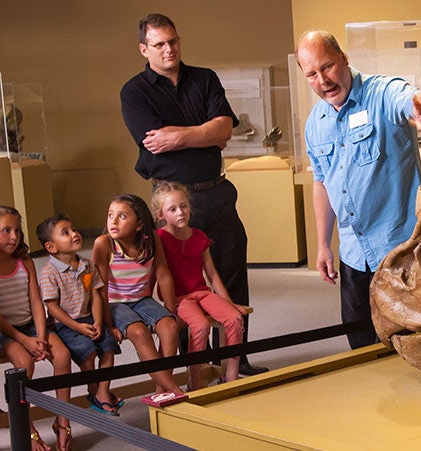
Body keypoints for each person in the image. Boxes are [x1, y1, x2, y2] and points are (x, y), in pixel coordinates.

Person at [119, 13, 267, 375]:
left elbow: (224, 128)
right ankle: (194, 363)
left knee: (231, 272)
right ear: (144, 49)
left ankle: (236, 358)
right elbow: (154, 143)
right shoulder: (134, 91)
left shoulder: (205, 78)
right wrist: (203, 132)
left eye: (173, 41)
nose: (169, 49)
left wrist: (179, 136)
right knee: (185, 284)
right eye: (159, 44)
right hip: (173, 200)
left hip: (217, 192)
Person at [296, 30, 421, 349]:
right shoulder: (315, 123)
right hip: (354, 255)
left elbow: (410, 101)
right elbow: (322, 183)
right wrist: (323, 243)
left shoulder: (382, 93)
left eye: (328, 67)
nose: (323, 80)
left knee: (415, 342)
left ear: (344, 59)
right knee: (360, 343)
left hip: (401, 250)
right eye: (312, 74)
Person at [0, 205, 72, 451]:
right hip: (0, 331)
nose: (14, 236)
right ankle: (26, 428)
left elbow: (37, 303)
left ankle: (63, 421)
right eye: (5, 230)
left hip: (30, 325)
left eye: (17, 230)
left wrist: (39, 336)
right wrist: (25, 341)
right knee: (23, 364)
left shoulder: (25, 261)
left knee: (62, 355)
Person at [92, 194, 189, 405]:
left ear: (139, 225)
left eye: (122, 216)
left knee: (170, 327)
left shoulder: (151, 240)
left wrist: (171, 310)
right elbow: (100, 288)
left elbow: (163, 274)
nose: (113, 221)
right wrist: (108, 324)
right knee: (139, 332)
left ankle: (160, 389)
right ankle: (174, 389)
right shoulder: (104, 244)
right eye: (110, 215)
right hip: (114, 303)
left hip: (142, 300)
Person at [153, 182, 248, 387]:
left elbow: (212, 275)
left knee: (234, 319)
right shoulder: (159, 239)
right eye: (173, 209)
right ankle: (195, 380)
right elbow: (157, 275)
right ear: (161, 214)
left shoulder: (199, 236)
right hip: (179, 299)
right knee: (201, 325)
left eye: (184, 206)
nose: (181, 212)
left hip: (202, 293)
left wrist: (230, 304)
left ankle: (230, 376)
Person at [36, 215, 124, 416]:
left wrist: (99, 322)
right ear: (51, 247)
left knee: (108, 347)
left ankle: (101, 391)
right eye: (65, 232)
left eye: (74, 229)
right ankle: (94, 390)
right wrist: (77, 327)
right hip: (66, 325)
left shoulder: (86, 264)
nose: (75, 234)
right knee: (88, 352)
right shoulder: (49, 272)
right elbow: (53, 308)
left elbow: (95, 294)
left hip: (90, 318)